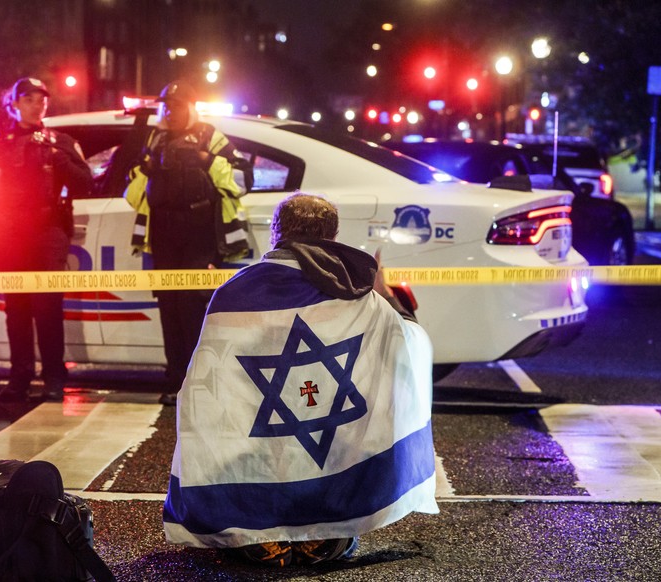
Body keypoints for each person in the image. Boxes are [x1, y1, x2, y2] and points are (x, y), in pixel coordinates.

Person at [163, 192, 438, 567]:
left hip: (260, 444)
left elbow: (206, 384)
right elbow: (408, 345)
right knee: (344, 440)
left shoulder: (235, 292)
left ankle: (255, 533)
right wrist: (387, 297)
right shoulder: (357, 294)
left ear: (276, 233)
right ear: (333, 236)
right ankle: (326, 532)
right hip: (329, 442)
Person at [123, 80, 250, 406]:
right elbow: (131, 189)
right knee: (169, 311)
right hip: (163, 236)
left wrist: (207, 160)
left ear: (191, 107)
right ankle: (176, 382)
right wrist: (146, 168)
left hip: (199, 235)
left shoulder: (210, 136)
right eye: (166, 105)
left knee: (192, 310)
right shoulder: (155, 138)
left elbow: (243, 180)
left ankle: (197, 385)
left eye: (177, 105)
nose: (170, 111)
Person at [0, 77, 94, 401]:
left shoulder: (59, 141)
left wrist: (59, 159)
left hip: (47, 230)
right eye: (29, 100)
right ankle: (19, 377)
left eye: (41, 100)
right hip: (9, 233)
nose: (37, 105)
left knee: (48, 306)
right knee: (17, 308)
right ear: (14, 104)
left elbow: (86, 182)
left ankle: (53, 377)